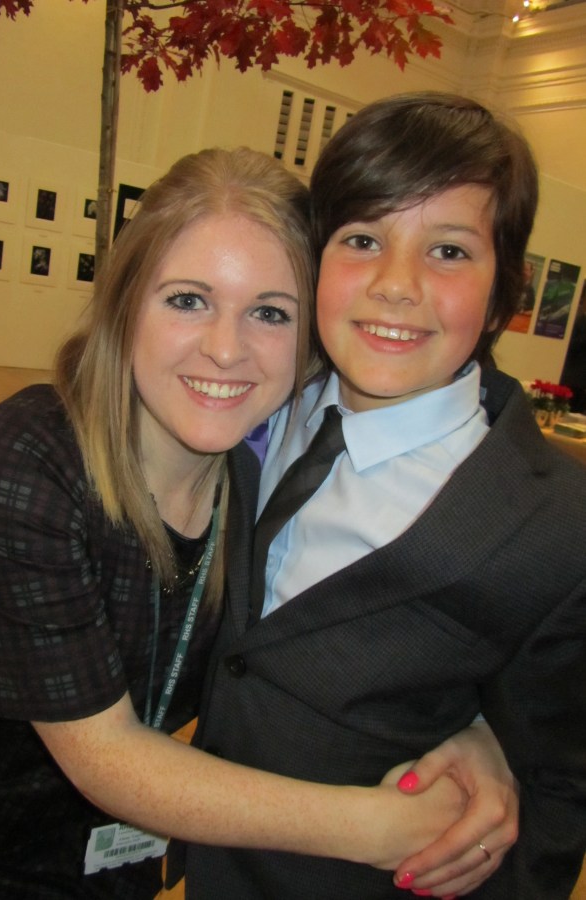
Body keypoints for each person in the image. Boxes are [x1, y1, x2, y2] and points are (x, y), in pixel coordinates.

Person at [0, 146, 513, 899]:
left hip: (120, 870)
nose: (226, 350)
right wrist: (380, 828)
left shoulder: (270, 471)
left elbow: (356, 642)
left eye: (269, 313)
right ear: (126, 301)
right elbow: (104, 754)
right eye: (188, 300)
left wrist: (474, 734)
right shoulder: (33, 458)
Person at [181, 94, 586, 899]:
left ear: (503, 289)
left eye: (448, 250)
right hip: (211, 860)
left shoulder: (555, 530)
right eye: (362, 239)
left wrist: (495, 738)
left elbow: (556, 788)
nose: (396, 284)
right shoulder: (257, 398)